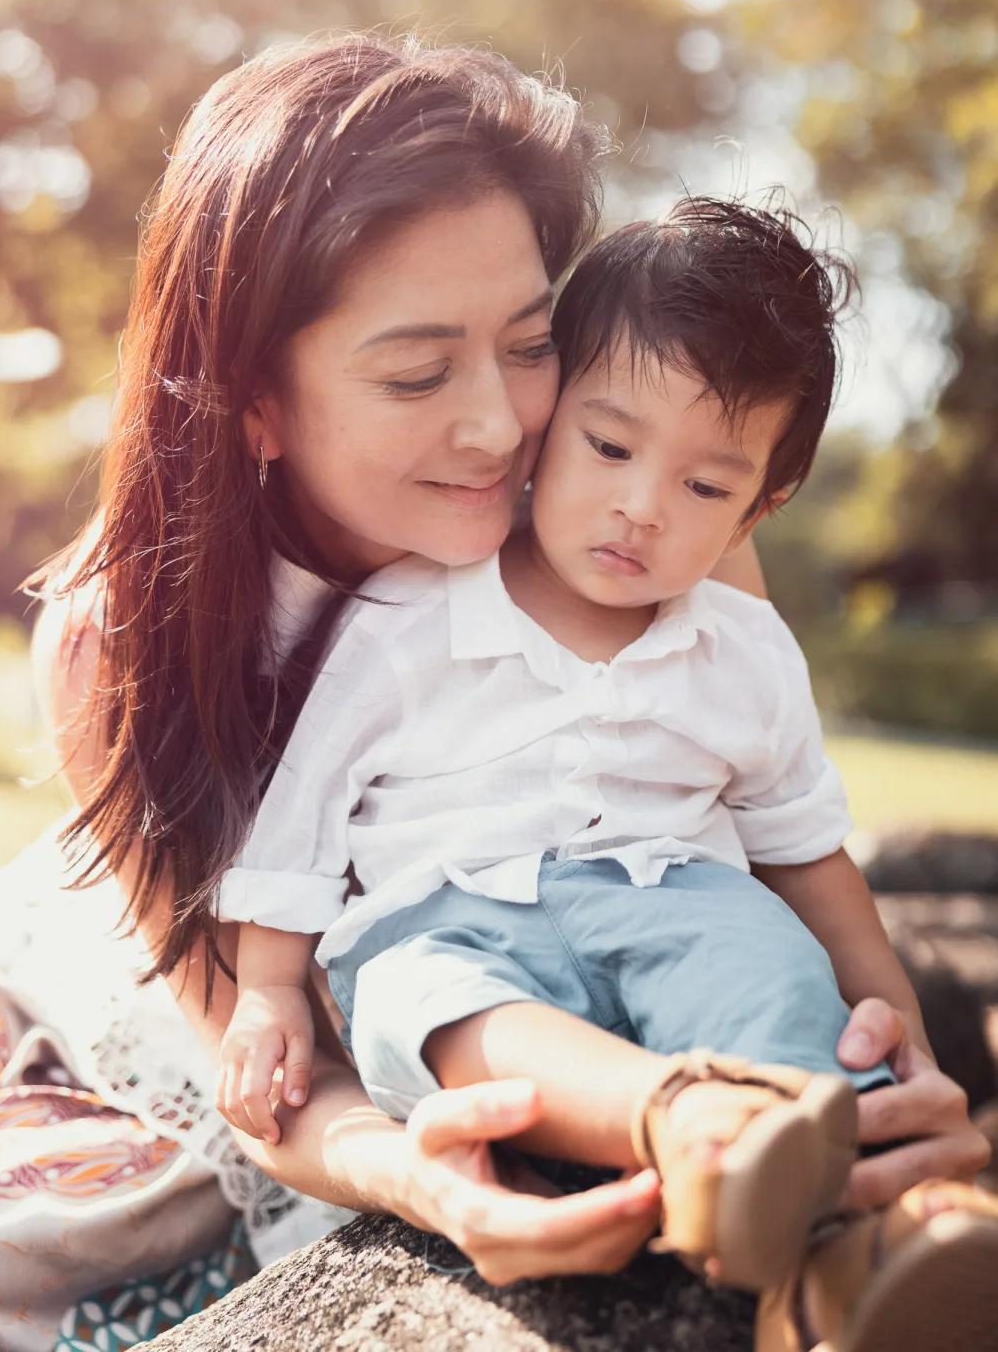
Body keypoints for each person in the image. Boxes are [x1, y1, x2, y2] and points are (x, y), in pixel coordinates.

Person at [9, 33, 988, 1332]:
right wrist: (425, 1181)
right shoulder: (119, 640)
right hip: (269, 1004)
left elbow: (746, 845)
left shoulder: (626, 488)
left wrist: (883, 1067)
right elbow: (276, 1094)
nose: (497, 427)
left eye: (528, 345)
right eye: (416, 372)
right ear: (252, 400)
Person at [211, 199, 936, 1300]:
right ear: (543, 431)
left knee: (769, 976)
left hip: (677, 894)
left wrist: (891, 1024)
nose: (641, 507)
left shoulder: (740, 648)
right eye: (607, 446)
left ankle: (858, 1242)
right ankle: (687, 1128)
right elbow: (305, 810)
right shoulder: (406, 620)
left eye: (704, 487)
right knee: (451, 1010)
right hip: (446, 916)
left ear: (759, 507)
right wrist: (266, 989)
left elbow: (806, 857)